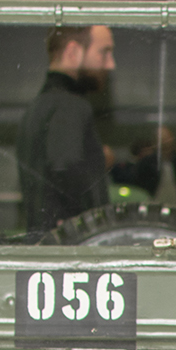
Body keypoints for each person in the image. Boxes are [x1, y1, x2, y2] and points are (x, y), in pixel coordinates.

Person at [14, 24, 115, 234]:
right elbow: (65, 166)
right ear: (73, 52)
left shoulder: (37, 108)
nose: (111, 64)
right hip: (73, 250)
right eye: (104, 52)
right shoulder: (71, 106)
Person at [112, 127, 176, 208]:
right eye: (162, 140)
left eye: (167, 139)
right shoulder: (147, 163)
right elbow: (139, 186)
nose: (165, 143)